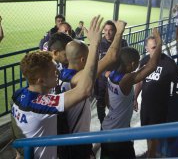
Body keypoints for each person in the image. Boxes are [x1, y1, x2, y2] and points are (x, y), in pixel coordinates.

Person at [10, 15, 120, 159]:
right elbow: (85, 90)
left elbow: (16, 133)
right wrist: (94, 44)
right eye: (52, 71)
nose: (57, 72)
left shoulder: (18, 95)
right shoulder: (42, 105)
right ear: (40, 80)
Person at [101, 28, 162, 159]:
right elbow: (152, 66)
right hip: (118, 135)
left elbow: (107, 100)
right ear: (133, 63)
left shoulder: (111, 74)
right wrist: (159, 42)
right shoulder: (126, 79)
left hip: (106, 128)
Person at [134, 34, 178, 158]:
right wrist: (135, 98)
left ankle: (151, 155)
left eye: (158, 47)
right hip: (146, 105)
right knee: (146, 133)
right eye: (153, 48)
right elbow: (140, 81)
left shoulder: (168, 63)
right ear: (147, 48)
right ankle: (151, 153)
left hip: (159, 107)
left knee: (155, 134)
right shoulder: (144, 61)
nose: (157, 50)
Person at [56, 40, 93, 159]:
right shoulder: (77, 79)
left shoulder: (61, 74)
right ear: (83, 60)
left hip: (64, 140)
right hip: (78, 141)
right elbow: (110, 58)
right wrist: (95, 42)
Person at [94, 20, 128, 126]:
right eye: (106, 30)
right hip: (101, 80)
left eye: (111, 30)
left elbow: (125, 60)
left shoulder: (122, 43)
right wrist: (104, 72)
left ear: (115, 31)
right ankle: (103, 125)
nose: (108, 33)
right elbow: (94, 63)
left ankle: (115, 124)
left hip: (117, 80)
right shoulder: (98, 44)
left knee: (117, 103)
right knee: (101, 103)